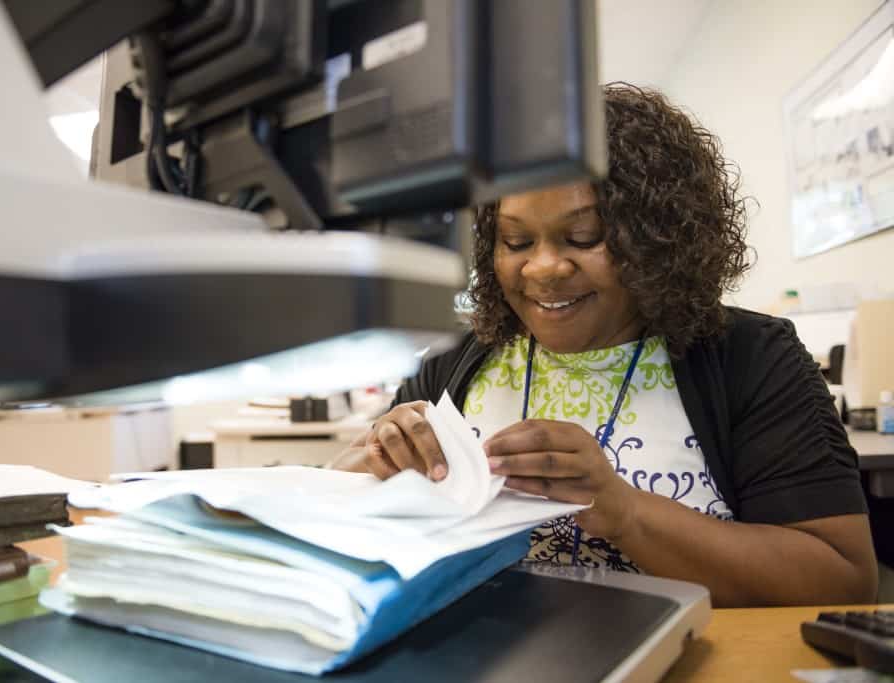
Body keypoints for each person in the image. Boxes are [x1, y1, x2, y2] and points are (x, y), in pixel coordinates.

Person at [330, 83, 878, 608]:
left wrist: (623, 511)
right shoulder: (455, 364)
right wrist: (369, 467)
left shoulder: (751, 358)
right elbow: (346, 517)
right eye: (515, 241)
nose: (543, 267)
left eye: (584, 238)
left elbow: (842, 578)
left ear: (661, 240)